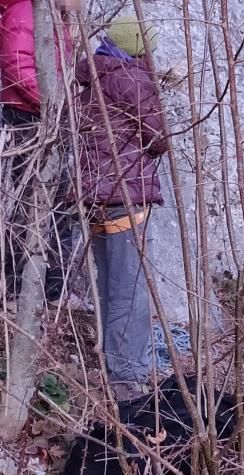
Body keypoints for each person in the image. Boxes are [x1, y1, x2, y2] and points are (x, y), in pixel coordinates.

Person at [73, 18, 167, 396]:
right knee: (130, 291)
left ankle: (113, 365)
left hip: (92, 196)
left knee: (111, 286)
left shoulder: (90, 78)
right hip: (125, 195)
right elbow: (159, 137)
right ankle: (127, 380)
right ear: (139, 50)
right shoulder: (131, 79)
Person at [1, 0, 76, 302]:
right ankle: (23, 288)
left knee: (55, 202)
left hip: (45, 116)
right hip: (31, 118)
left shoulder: (54, 15)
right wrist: (54, 103)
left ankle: (47, 289)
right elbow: (16, 65)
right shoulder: (25, 11)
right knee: (33, 202)